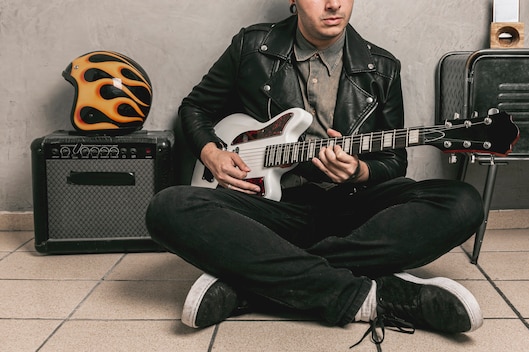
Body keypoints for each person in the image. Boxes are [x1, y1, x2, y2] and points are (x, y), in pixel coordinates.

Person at [146, 0, 485, 348]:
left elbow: (394, 162)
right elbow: (195, 107)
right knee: (167, 207)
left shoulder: (381, 67)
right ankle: (367, 296)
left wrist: (359, 171)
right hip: (271, 210)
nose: (334, 4)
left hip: (350, 209)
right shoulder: (251, 47)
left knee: (462, 202)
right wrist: (212, 153)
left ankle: (253, 279)